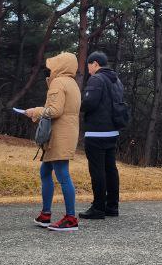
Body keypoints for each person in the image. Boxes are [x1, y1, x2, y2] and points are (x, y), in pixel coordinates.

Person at [22, 52, 82, 232]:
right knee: (45, 171)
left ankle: (71, 218)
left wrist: (35, 111)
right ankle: (45, 214)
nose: (50, 69)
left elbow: (54, 110)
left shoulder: (58, 82)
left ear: (61, 66)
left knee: (62, 174)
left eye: (53, 65)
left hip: (59, 135)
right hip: (67, 132)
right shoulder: (72, 83)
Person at [80, 51, 124, 220]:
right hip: (112, 130)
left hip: (97, 131)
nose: (89, 70)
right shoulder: (116, 80)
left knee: (97, 170)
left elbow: (89, 103)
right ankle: (112, 206)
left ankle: (98, 207)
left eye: (89, 66)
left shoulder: (96, 79)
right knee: (110, 169)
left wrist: (78, 104)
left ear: (95, 64)